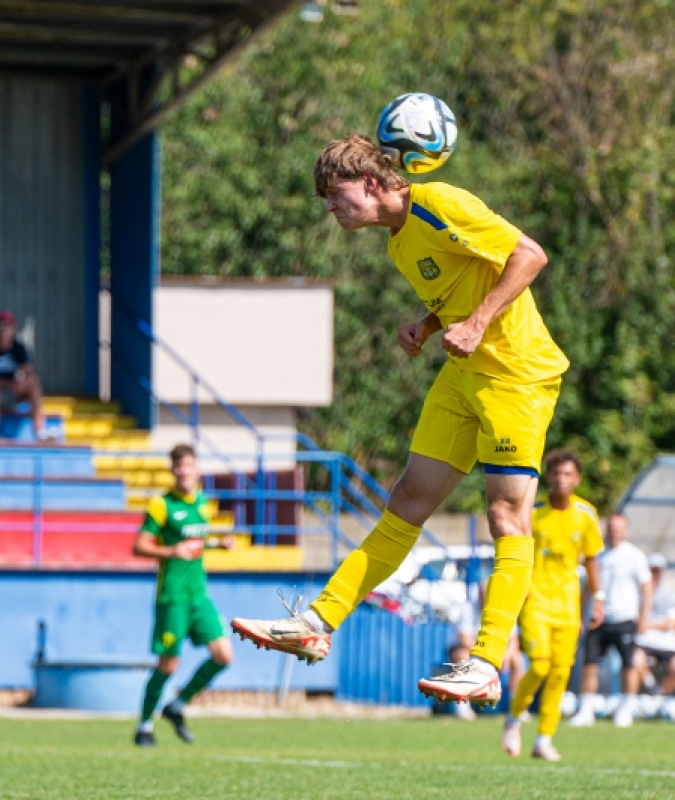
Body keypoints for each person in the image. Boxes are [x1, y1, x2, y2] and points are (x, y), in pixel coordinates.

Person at [231, 134, 569, 708]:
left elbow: (528, 255)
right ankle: (318, 621)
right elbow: (464, 283)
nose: (330, 208)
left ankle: (485, 664)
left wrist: (479, 324)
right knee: (406, 501)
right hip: (464, 375)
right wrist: (429, 325)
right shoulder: (396, 243)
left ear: (371, 182)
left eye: (335, 195)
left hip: (517, 376)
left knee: (506, 516)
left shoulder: (440, 202)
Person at [501, 450, 603, 761]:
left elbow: (591, 558)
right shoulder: (533, 512)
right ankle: (514, 718)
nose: (561, 479)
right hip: (536, 599)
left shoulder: (586, 514)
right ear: (549, 477)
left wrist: (598, 599)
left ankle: (543, 739)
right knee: (541, 664)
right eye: (556, 473)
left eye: (567, 474)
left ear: (577, 479)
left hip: (568, 605)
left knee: (560, 673)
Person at [132, 444, 234, 747]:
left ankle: (177, 705)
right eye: (179, 466)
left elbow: (194, 543)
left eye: (189, 465)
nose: (184, 471)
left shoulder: (202, 503)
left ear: (197, 468)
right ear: (172, 469)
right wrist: (170, 551)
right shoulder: (161, 505)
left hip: (198, 596)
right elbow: (139, 546)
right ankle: (144, 726)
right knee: (168, 665)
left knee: (223, 655)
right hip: (172, 597)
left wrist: (217, 545)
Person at [569, 512, 652, 728]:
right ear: (606, 529)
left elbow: (647, 589)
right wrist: (579, 616)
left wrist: (643, 618)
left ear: (626, 530)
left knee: (629, 665)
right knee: (590, 664)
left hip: (625, 619)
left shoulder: (634, 556)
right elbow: (587, 589)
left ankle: (626, 709)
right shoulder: (596, 556)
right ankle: (585, 709)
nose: (615, 530)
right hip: (598, 620)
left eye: (619, 527)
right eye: (612, 527)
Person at [0, 310, 43, 439]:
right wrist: (10, 384)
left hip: (13, 393)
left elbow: (28, 371)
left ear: (13, 329)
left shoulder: (19, 348)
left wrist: (26, 380)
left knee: (34, 387)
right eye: (0, 325)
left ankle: (39, 431)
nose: (3, 329)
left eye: (6, 326)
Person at [634, 553, 675, 697]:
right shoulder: (637, 594)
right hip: (644, 642)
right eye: (652, 569)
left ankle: (659, 694)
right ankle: (651, 687)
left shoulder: (669, 595)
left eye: (658, 570)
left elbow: (671, 623)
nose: (655, 573)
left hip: (666, 644)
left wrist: (648, 625)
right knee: (635, 660)